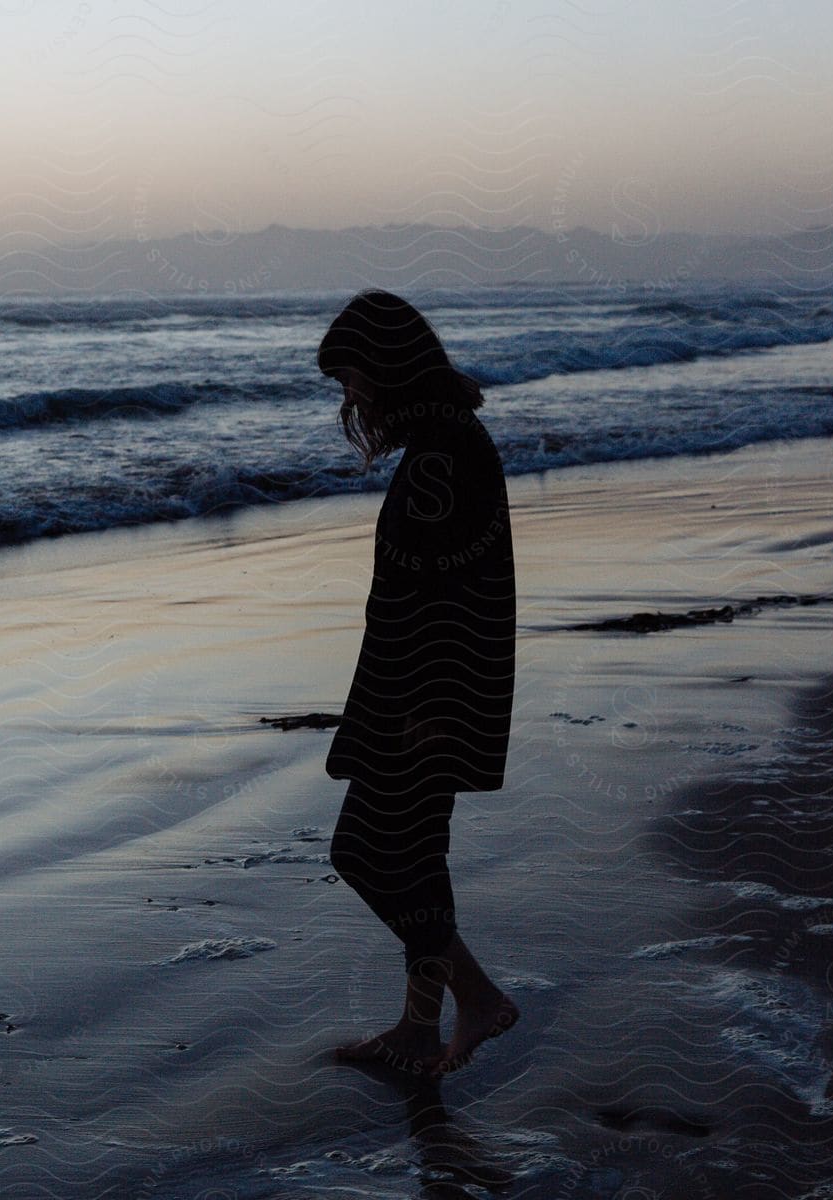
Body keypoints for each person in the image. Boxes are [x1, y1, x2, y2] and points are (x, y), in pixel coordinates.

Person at [318, 289, 519, 1077]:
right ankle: (416, 1028)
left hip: (423, 698)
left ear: (391, 369)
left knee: (363, 851)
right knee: (418, 859)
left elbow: (442, 598)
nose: (350, 398)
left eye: (354, 379)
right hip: (435, 693)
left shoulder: (442, 458)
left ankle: (478, 998)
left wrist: (428, 710)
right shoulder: (449, 440)